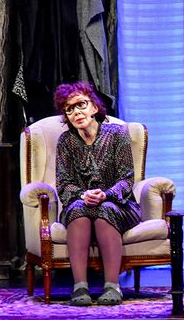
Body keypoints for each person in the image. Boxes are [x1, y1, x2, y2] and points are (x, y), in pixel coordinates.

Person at [53, 81, 141, 305]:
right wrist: (83, 195)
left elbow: (126, 179)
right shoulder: (66, 141)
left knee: (105, 210)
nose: (76, 112)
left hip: (119, 204)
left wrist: (106, 195)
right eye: (69, 109)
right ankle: (80, 287)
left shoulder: (117, 134)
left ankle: (112, 286)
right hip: (80, 202)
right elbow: (63, 183)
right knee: (78, 210)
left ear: (94, 107)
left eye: (80, 105)